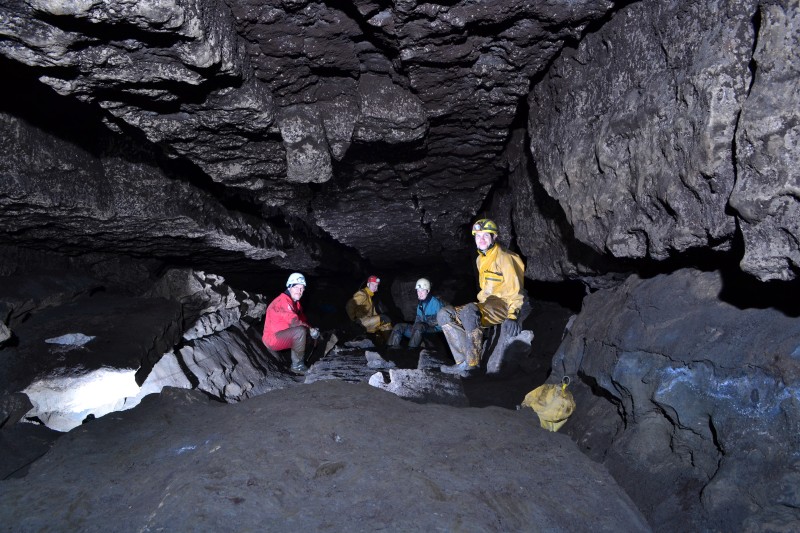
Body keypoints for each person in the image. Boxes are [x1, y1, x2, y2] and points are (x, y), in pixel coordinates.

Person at [437, 218, 525, 375]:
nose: (481, 239)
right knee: (444, 314)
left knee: (469, 311)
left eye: (485, 235)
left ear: (494, 236)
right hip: (487, 305)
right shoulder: (480, 259)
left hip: (503, 304)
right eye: (478, 236)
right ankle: (462, 363)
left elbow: (515, 290)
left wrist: (512, 316)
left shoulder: (505, 258)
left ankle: (473, 365)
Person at [262, 272, 320, 374]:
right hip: (272, 339)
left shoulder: (296, 303)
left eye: (302, 288)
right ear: (289, 287)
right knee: (300, 331)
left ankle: (306, 359)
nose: (299, 291)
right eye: (296, 287)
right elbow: (295, 322)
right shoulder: (282, 302)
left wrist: (313, 331)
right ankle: (297, 366)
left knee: (307, 331)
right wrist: (311, 331)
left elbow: (303, 320)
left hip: (285, 334)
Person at [387, 278, 444, 349]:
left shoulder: (436, 303)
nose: (420, 293)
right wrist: (414, 328)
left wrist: (423, 324)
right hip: (420, 329)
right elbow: (418, 319)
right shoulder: (421, 303)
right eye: (418, 291)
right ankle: (392, 349)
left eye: (422, 290)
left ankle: (411, 350)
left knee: (419, 326)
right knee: (399, 327)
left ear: (428, 291)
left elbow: (440, 322)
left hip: (433, 330)